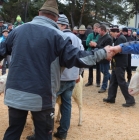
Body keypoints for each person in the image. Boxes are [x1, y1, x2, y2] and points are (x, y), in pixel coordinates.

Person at [2, 0, 113, 140]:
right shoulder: (58, 35)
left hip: (14, 92)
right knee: (44, 135)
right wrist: (102, 53)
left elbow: (2, 50)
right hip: (42, 95)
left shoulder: (17, 30)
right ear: (56, 18)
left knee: (13, 132)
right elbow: (78, 58)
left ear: (39, 14)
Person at [54, 14, 84, 140]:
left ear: (63, 25)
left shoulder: (60, 36)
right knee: (67, 105)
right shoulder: (77, 39)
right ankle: (63, 132)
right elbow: (82, 57)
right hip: (73, 78)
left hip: (60, 78)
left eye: (57, 24)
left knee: (49, 105)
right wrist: (79, 73)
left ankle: (45, 132)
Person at [103, 26, 135, 107]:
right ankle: (111, 97)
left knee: (121, 82)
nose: (111, 35)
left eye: (111, 33)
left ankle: (130, 99)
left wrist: (110, 52)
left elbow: (119, 51)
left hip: (120, 63)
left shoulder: (120, 38)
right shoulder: (120, 38)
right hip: (117, 63)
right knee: (113, 81)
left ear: (115, 32)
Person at [90, 24, 113, 93]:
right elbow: (98, 44)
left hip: (105, 57)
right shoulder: (100, 36)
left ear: (103, 30)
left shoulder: (108, 38)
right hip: (101, 57)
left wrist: (96, 45)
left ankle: (104, 87)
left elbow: (106, 49)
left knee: (105, 72)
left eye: (99, 31)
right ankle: (114, 80)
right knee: (103, 71)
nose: (98, 32)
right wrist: (94, 44)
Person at [85, 23, 101, 87]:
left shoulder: (100, 35)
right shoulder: (90, 34)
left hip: (98, 53)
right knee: (90, 67)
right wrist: (94, 43)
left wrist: (93, 42)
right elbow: (87, 42)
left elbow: (99, 42)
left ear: (99, 28)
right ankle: (90, 81)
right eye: (94, 28)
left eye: (96, 28)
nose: (95, 29)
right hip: (90, 52)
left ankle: (98, 82)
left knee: (98, 68)